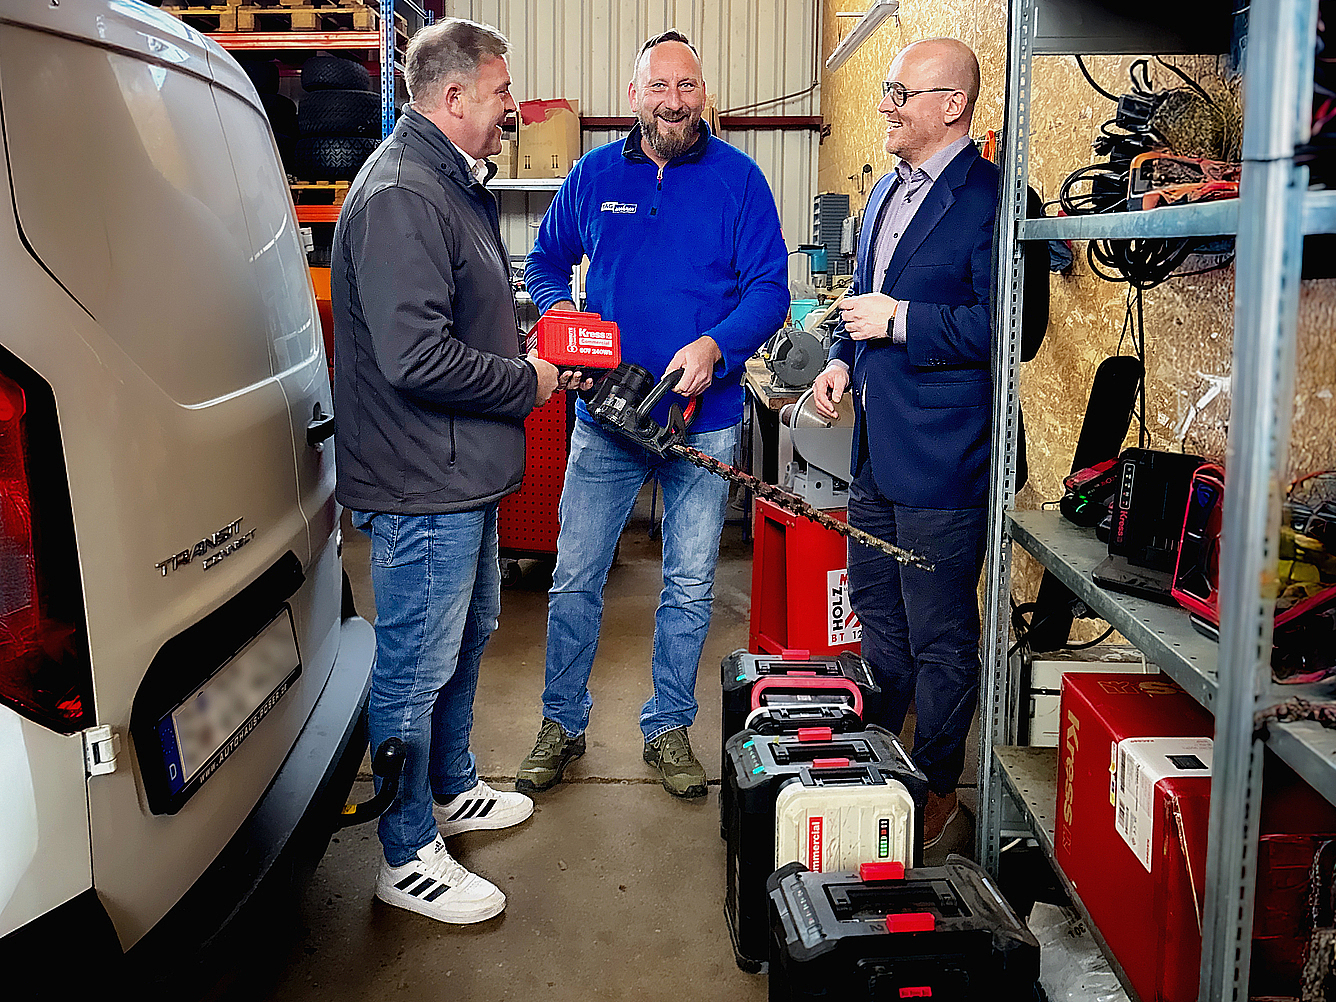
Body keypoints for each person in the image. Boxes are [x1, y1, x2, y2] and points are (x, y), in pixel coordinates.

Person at [332, 18, 571, 924]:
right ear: (456, 94)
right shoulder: (402, 192)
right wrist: (527, 379)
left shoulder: (446, 183)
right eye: (503, 90)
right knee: (413, 665)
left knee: (464, 643)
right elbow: (412, 356)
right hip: (419, 481)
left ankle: (451, 783)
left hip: (458, 477)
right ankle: (405, 853)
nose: (514, 106)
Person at [517, 30, 789, 799]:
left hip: (704, 417)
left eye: (688, 87)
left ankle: (667, 724)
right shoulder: (593, 173)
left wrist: (716, 344)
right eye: (660, 87)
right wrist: (562, 314)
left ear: (704, 94)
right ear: (634, 95)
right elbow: (543, 260)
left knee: (692, 584)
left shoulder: (741, 181)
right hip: (607, 418)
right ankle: (562, 723)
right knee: (574, 578)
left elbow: (769, 288)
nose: (675, 101)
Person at [810, 37, 997, 849]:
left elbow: (1011, 331)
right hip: (876, 455)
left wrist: (904, 321)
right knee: (879, 616)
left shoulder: (994, 199)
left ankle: (934, 792)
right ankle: (878, 764)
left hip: (944, 460)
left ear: (950, 105)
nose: (885, 103)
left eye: (899, 91)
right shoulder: (886, 190)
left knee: (943, 635)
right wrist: (844, 363)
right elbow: (863, 296)